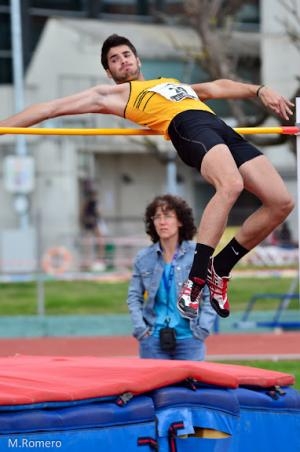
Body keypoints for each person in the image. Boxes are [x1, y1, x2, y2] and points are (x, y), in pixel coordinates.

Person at [0, 34, 294, 321]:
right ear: (109, 71)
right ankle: (195, 282)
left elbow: (218, 87)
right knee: (230, 185)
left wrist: (258, 90)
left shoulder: (172, 84)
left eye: (126, 55)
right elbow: (49, 108)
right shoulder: (112, 95)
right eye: (114, 59)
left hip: (218, 126)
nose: (122, 61)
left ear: (137, 59)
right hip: (187, 127)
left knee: (280, 202)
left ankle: (220, 267)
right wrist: (4, 127)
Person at [127, 194, 216, 360]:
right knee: (155, 386)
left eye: (167, 216)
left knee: (192, 385)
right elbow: (134, 297)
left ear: (180, 221)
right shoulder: (143, 258)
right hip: (152, 339)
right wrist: (141, 330)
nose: (162, 222)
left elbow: (211, 295)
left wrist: (203, 329)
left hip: (190, 339)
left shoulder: (198, 255)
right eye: (157, 217)